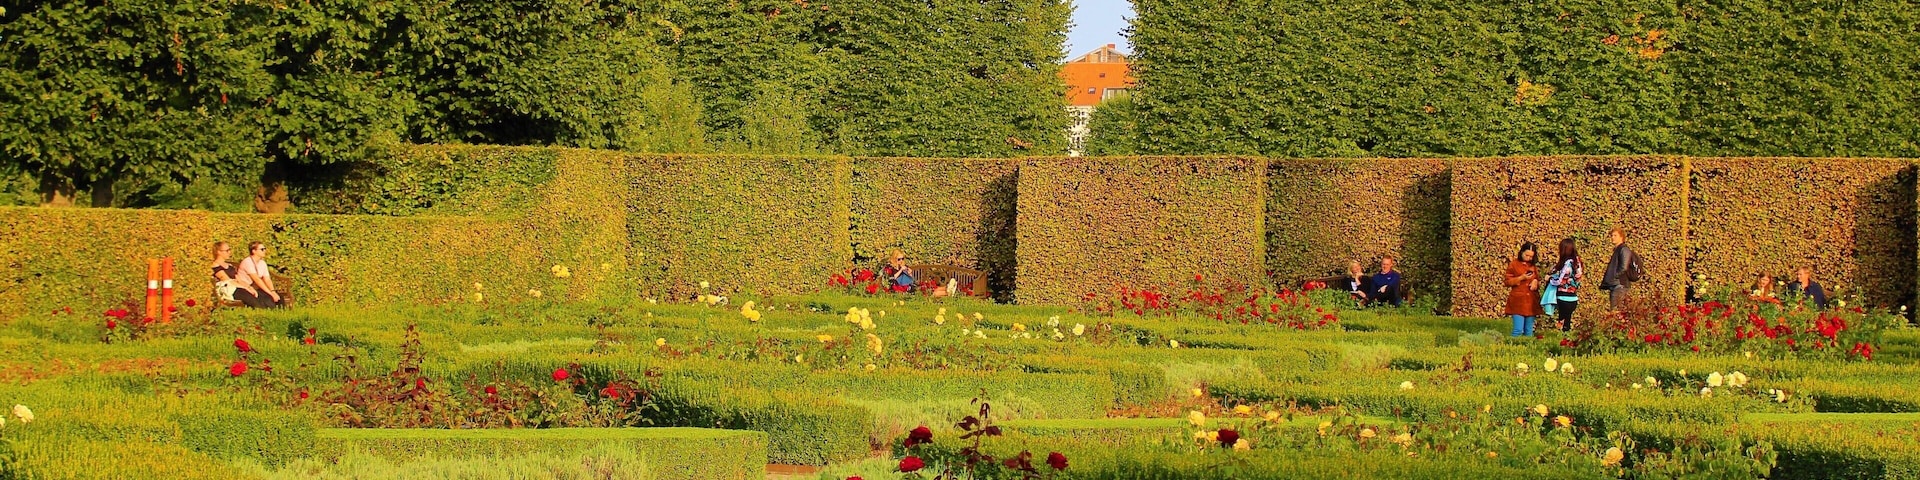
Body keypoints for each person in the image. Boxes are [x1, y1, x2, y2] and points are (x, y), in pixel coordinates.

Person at [210, 242, 273, 308]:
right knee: (251, 298)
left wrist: (249, 287)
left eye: (229, 250)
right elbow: (228, 281)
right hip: (230, 290)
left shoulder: (229, 266)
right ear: (218, 252)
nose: (229, 252)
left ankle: (272, 313)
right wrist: (246, 288)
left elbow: (238, 279)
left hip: (238, 287)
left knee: (262, 297)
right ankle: (260, 314)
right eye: (227, 250)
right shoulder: (216, 266)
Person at [1503, 242, 1544, 336]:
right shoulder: (1514, 264)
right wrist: (1521, 278)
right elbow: (1507, 282)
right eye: (1526, 255)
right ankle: (1512, 348)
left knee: (1529, 330)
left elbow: (1538, 279)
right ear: (1521, 252)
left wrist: (1535, 282)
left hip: (1531, 302)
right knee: (1518, 330)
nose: (1528, 258)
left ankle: (1527, 349)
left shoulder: (1533, 266)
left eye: (1531, 256)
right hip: (1518, 301)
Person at [1599, 227, 1643, 311]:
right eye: (1612, 235)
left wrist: (1615, 276)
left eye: (1615, 235)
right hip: (1616, 285)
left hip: (1620, 285)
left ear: (1621, 237)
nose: (1612, 237)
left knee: (1616, 312)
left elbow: (1624, 267)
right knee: (1617, 312)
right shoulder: (1618, 250)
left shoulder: (1623, 249)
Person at [1546, 238, 1584, 331]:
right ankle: (1567, 340)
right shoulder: (1578, 262)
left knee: (1561, 321)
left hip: (1563, 297)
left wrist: (1550, 279)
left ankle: (1561, 342)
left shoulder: (1566, 264)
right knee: (1567, 321)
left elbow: (1559, 280)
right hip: (1573, 297)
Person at [238, 241, 284, 306]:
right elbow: (257, 280)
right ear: (254, 251)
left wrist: (272, 291)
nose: (264, 251)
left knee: (280, 298)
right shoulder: (247, 262)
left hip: (256, 288)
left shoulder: (262, 263)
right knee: (267, 299)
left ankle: (283, 314)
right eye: (262, 249)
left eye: (265, 249)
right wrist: (271, 294)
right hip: (246, 289)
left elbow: (267, 279)